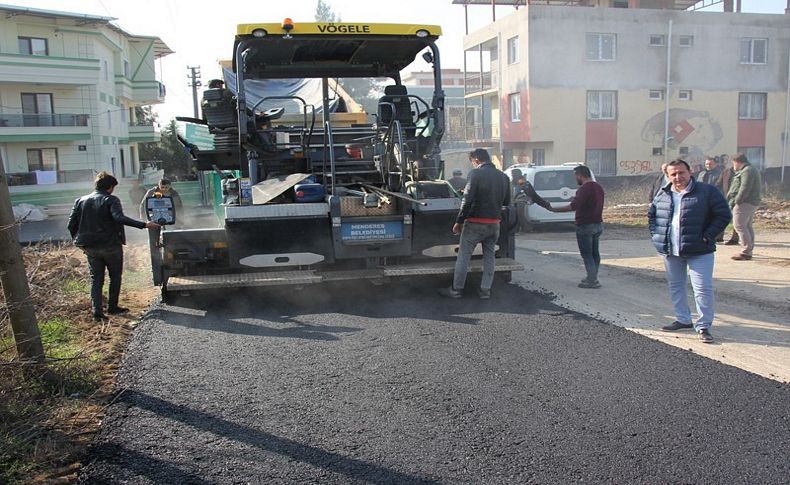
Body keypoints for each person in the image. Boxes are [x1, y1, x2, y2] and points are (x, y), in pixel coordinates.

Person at [648, 159, 731, 343]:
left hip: (699, 250)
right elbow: (652, 214)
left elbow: (724, 214)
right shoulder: (663, 193)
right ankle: (683, 319)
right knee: (676, 286)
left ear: (690, 172)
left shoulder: (706, 191)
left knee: (702, 288)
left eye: (681, 172)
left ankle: (703, 326)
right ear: (668, 176)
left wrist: (708, 235)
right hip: (671, 250)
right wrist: (656, 235)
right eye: (673, 174)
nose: (678, 177)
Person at [68, 172, 160, 321]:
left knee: (96, 279)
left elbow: (71, 224)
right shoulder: (110, 199)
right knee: (115, 276)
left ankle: (97, 311)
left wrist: (78, 242)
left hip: (89, 246)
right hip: (110, 245)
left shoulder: (80, 200)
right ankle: (113, 307)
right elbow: (119, 218)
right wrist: (144, 225)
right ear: (110, 187)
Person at [438, 148, 510, 300]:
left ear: (476, 159)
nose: (472, 165)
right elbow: (506, 202)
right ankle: (485, 290)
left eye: (472, 162)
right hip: (494, 224)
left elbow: (467, 200)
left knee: (464, 256)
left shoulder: (475, 174)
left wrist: (459, 221)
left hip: (475, 224)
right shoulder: (503, 177)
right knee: (489, 257)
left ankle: (456, 290)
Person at [550, 165, 605, 288]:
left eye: (576, 176)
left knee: (587, 254)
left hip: (585, 225)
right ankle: (593, 277)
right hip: (598, 224)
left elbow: (574, 206)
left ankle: (592, 280)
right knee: (595, 253)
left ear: (580, 175)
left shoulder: (584, 189)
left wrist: (555, 210)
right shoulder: (598, 187)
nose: (575, 178)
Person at [727, 153, 762, 261]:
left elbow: (744, 187)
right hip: (749, 202)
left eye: (733, 163)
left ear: (737, 161)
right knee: (746, 225)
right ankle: (749, 249)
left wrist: (738, 201)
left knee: (739, 225)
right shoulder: (750, 169)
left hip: (744, 202)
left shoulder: (747, 171)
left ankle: (746, 251)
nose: (733, 166)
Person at [509, 169, 552, 233]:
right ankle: (519, 229)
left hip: (522, 201)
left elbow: (530, 192)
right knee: (516, 216)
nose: (512, 175)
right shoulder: (513, 182)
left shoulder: (521, 181)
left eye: (513, 174)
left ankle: (527, 228)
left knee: (520, 215)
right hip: (515, 201)